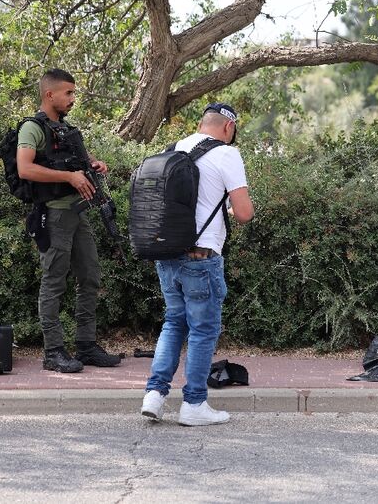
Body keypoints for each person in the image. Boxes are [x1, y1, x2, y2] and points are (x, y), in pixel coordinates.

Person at [140, 102, 254, 426]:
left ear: (202, 123)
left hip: (167, 254)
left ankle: (155, 395)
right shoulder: (227, 155)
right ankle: (194, 404)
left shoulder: (174, 149)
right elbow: (244, 213)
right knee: (203, 330)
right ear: (228, 128)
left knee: (174, 323)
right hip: (200, 258)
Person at [16, 69, 122, 373]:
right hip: (54, 215)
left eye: (73, 93)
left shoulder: (65, 129)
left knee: (89, 277)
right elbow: (25, 169)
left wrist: (92, 165)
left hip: (78, 213)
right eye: (69, 93)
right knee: (53, 282)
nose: (73, 99)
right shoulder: (31, 129)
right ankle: (53, 352)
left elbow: (76, 164)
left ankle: (86, 346)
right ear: (50, 94)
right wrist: (68, 177)